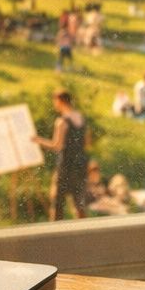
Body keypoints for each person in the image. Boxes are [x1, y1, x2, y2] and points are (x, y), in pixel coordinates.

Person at [32, 89, 90, 220]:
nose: (54, 105)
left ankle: (55, 234)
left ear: (60, 101)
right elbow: (87, 142)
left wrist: (38, 141)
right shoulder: (80, 117)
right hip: (80, 164)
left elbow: (57, 146)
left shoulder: (62, 122)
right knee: (78, 202)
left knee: (57, 201)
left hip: (66, 165)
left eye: (55, 101)